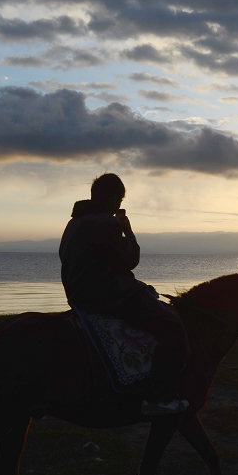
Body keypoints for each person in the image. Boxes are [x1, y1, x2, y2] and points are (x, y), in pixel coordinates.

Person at [59, 173, 190, 415]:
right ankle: (158, 398)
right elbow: (129, 259)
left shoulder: (74, 223)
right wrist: (127, 231)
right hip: (107, 295)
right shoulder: (106, 222)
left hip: (79, 295)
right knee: (171, 326)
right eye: (119, 199)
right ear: (113, 200)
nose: (120, 205)